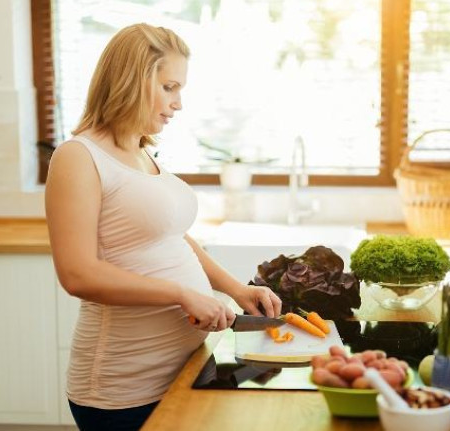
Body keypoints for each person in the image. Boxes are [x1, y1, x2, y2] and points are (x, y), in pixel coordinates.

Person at [45, 23, 282, 431]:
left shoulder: (142, 153)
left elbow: (173, 238)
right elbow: (77, 274)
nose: (178, 103)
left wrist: (236, 289)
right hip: (123, 388)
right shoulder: (78, 157)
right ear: (133, 81)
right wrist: (182, 295)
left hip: (183, 368)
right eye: (170, 87)